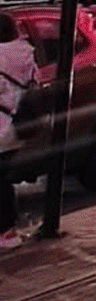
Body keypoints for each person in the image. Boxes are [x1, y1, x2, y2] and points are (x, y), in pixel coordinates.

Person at [0, 14, 35, 249]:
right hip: (15, 127)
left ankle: (6, 232)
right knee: (2, 180)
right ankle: (8, 231)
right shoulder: (27, 54)